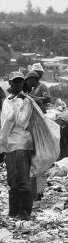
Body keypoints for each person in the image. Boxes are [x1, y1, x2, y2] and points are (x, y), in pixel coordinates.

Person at [0, 72, 34, 220]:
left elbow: (21, 121)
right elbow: (4, 123)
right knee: (12, 179)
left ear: (23, 83)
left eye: (20, 81)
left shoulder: (26, 101)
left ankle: (25, 213)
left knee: (22, 178)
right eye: (14, 82)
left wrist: (18, 103)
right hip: (9, 144)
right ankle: (13, 211)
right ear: (10, 83)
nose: (17, 84)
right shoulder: (7, 100)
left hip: (22, 143)